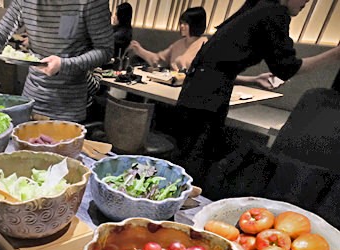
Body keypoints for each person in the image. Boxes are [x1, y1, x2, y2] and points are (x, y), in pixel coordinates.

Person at [170, 0, 340, 196]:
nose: (307, 2)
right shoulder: (275, 12)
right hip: (207, 100)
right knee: (194, 166)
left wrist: (253, 80)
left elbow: (216, 67)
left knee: (183, 160)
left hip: (192, 92)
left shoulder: (255, 8)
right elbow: (287, 67)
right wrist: (335, 54)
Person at [0, 0, 115, 122]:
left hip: (68, 107)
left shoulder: (91, 2)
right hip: (30, 100)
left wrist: (64, 65)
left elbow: (105, 50)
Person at [128, 7, 207, 71]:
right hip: (171, 84)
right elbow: (158, 60)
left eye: (186, 23)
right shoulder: (178, 44)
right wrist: (139, 50)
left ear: (196, 25)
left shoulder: (205, 45)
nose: (182, 26)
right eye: (181, 23)